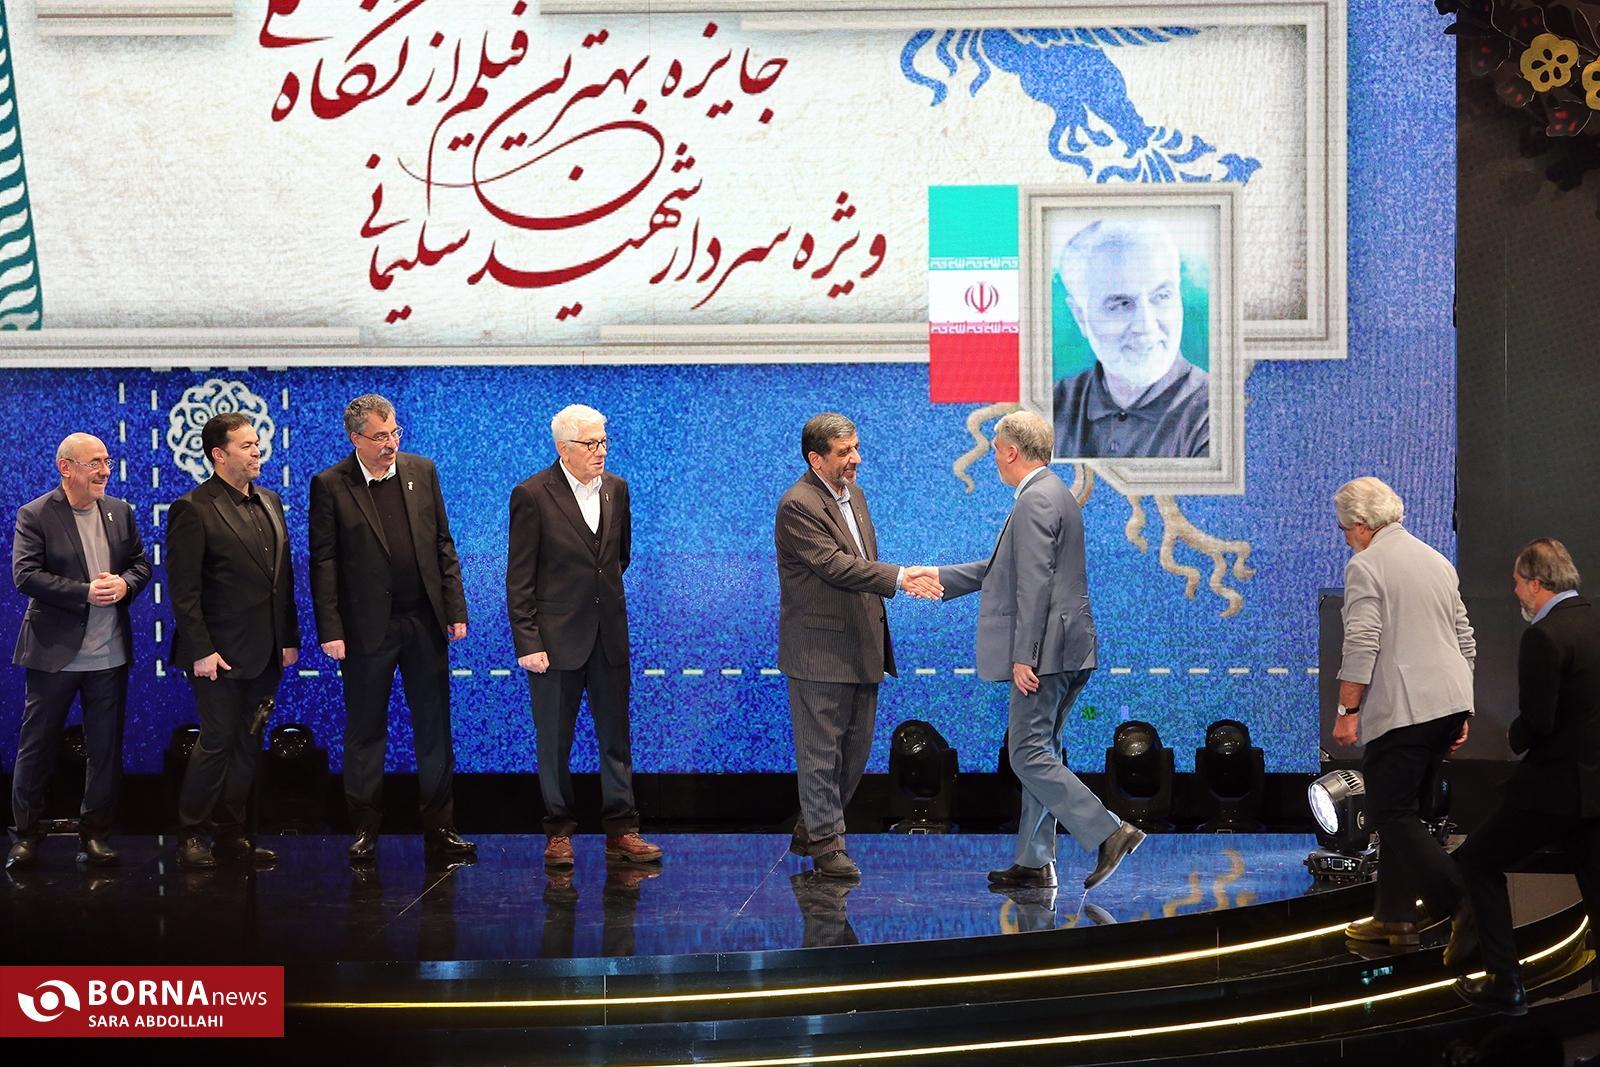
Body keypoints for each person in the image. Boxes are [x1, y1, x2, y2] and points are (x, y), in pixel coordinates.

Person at [935, 411, 1144, 890]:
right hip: (1069, 646)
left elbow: (1034, 584)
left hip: (1046, 651)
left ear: (1012, 451)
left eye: (995, 448)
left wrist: (1024, 654)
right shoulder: (1054, 491)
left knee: (1027, 754)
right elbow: (1007, 568)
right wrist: (940, 577)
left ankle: (1110, 832)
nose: (993, 457)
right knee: (1041, 751)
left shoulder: (1034, 500)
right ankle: (1034, 860)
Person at [308, 394, 475, 865]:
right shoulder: (330, 485)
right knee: (365, 731)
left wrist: (454, 607)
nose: (390, 443)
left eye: (395, 432)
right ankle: (365, 830)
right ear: (355, 438)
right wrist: (331, 627)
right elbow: (324, 562)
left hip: (423, 620)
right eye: (380, 436)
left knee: (435, 728)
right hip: (365, 630)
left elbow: (443, 544)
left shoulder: (422, 471)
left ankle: (441, 829)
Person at [775, 412, 942, 879]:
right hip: (819, 652)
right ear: (816, 459)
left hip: (863, 645)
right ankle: (828, 843)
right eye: (844, 451)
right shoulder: (798, 505)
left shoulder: (856, 495)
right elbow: (835, 565)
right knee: (820, 755)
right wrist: (901, 577)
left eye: (856, 448)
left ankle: (812, 828)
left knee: (854, 755)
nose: (856, 459)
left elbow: (860, 564)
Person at [1449, 539, 1600, 1016]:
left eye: (1516, 582)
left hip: (1553, 790)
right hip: (1593, 790)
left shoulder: (1544, 636)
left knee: (1477, 860)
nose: (1514, 591)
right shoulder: (1595, 620)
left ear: (1536, 584)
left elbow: (1538, 721)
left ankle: (1505, 983)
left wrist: (1512, 736)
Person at [507, 405, 661, 869]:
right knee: (554, 741)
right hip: (554, 642)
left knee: (616, 737)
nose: (600, 451)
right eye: (590, 443)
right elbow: (520, 578)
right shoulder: (532, 495)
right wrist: (528, 640)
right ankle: (558, 832)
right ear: (563, 448)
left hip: (608, 635)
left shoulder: (617, 489)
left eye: (603, 442)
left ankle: (622, 829)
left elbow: (618, 559)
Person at [1332, 475, 1474, 945]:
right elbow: (1464, 639)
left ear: (1360, 524)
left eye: (1343, 529)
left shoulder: (1366, 566)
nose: (1345, 539)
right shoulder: (1436, 560)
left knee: (1390, 811)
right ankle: (1394, 916)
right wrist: (1462, 707)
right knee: (1402, 812)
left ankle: (1464, 903)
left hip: (1406, 710)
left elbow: (1361, 642)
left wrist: (1347, 710)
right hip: (1447, 704)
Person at [6, 433, 150, 871]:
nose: (104, 471)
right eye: (94, 463)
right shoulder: (35, 514)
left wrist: (125, 584)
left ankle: (96, 835)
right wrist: (84, 592)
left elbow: (141, 564)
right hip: (55, 653)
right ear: (65, 468)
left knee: (104, 750)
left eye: (107, 462)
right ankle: (26, 835)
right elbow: (25, 575)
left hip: (110, 655)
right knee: (36, 747)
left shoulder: (120, 511)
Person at [168, 413, 300, 870]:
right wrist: (201, 649)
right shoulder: (192, 508)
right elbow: (184, 591)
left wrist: (288, 638)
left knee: (248, 743)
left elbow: (282, 580)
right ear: (218, 455)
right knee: (218, 740)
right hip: (217, 654)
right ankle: (191, 833)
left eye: (256, 443)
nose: (256, 451)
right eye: (246, 445)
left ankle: (230, 833)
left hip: (266, 651)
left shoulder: (271, 501)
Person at [1051, 219, 1209, 459]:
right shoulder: (1048, 407)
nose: (1146, 326)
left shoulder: (1218, 415)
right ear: (1080, 317)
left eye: (1162, 296)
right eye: (1121, 304)